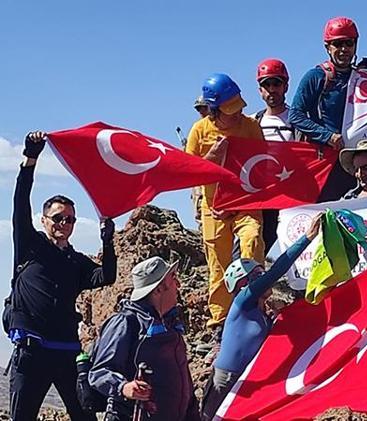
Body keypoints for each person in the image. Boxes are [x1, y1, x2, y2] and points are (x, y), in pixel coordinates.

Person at [6, 131, 116, 420]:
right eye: (58, 218)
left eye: (70, 219)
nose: (64, 224)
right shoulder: (30, 245)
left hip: (67, 351)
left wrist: (107, 241)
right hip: (32, 352)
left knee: (84, 415)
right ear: (44, 220)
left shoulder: (75, 261)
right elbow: (20, 201)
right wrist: (30, 158)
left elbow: (106, 276)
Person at [201, 214, 323, 419]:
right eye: (258, 276)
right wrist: (307, 238)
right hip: (224, 381)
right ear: (243, 284)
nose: (264, 279)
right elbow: (276, 271)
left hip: (248, 380)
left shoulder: (261, 313)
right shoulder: (242, 302)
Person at [186, 73, 266, 354]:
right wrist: (213, 158)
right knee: (218, 265)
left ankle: (255, 307)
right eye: (230, 108)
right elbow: (189, 171)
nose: (237, 112)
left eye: (238, 105)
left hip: (246, 202)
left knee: (252, 241)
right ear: (214, 109)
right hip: (214, 207)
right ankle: (219, 324)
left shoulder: (251, 127)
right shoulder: (199, 131)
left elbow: (265, 162)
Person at [89, 257, 200, 421]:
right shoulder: (126, 322)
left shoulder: (170, 324)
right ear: (158, 290)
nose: (178, 285)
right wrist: (123, 387)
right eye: (173, 279)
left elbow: (184, 379)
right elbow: (99, 372)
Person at [289, 16, 360, 202]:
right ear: (328, 47)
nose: (344, 49)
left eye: (349, 43)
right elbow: (295, 115)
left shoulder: (365, 77)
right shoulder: (316, 76)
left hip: (356, 161)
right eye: (338, 44)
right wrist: (327, 136)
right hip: (326, 162)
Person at [253, 58, 300, 254]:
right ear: (260, 90)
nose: (272, 89)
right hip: (262, 198)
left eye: (276, 83)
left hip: (293, 198)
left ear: (285, 86)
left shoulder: (298, 120)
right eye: (267, 84)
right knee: (253, 249)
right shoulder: (252, 122)